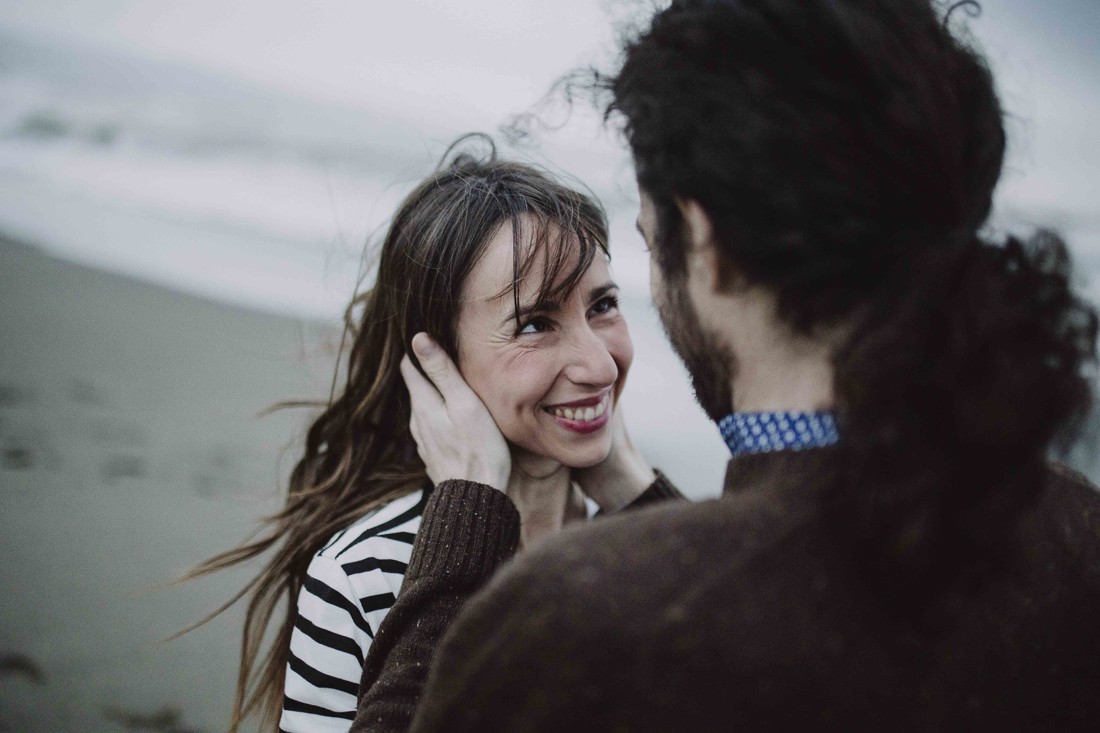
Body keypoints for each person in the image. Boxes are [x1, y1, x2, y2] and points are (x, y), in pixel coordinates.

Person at [349, 1, 1100, 731]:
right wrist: (642, 498)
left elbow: (720, 586)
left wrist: (464, 524)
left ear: (707, 247)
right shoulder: (1076, 531)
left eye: (649, 240)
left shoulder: (577, 618)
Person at [185, 136, 681, 733]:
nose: (601, 366)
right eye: (534, 324)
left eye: (602, 305)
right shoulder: (364, 575)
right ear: (436, 362)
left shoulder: (643, 550)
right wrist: (470, 515)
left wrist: (639, 496)